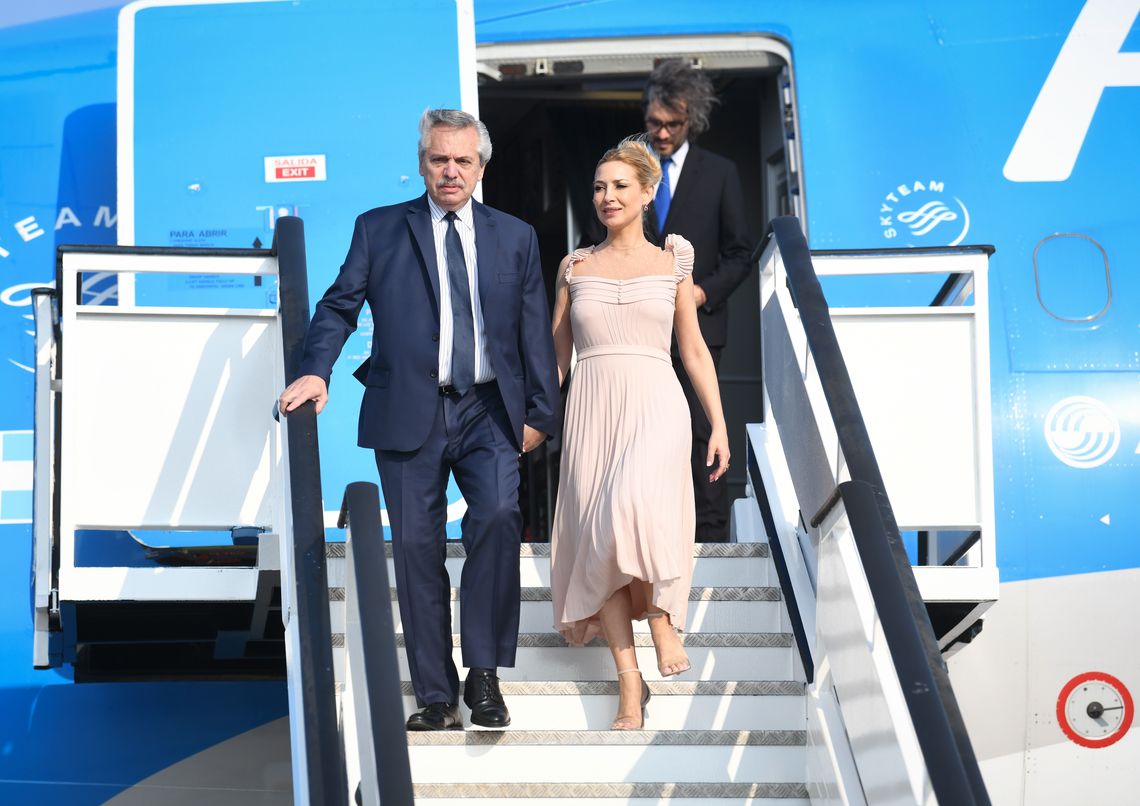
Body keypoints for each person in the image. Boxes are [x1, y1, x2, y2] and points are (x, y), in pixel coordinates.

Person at [278, 109, 560, 731]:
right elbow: (338, 304)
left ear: (481, 167)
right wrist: (315, 370)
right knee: (414, 546)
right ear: (422, 163)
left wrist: (542, 412)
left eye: (463, 160)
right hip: (411, 407)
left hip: (490, 410)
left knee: (498, 519)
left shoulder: (515, 235)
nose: (451, 171)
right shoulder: (379, 229)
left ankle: (483, 674)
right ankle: (436, 694)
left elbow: (533, 331)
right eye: (440, 159)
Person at [549, 137, 730, 731]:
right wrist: (533, 422)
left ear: (648, 193)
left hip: (656, 400)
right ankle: (631, 683)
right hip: (592, 407)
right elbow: (556, 358)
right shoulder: (575, 267)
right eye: (600, 186)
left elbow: (694, 349)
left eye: (621, 186)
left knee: (630, 507)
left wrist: (719, 423)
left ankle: (659, 614)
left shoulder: (674, 260)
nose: (607, 197)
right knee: (596, 538)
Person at [643, 60, 751, 543]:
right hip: (641, 329)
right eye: (654, 122)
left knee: (704, 431)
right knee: (647, 436)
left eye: (673, 124)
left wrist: (700, 292)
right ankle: (653, 532)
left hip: (701, 327)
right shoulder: (629, 172)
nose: (662, 133)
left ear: (693, 122)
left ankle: (709, 540)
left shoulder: (720, 173)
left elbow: (740, 252)